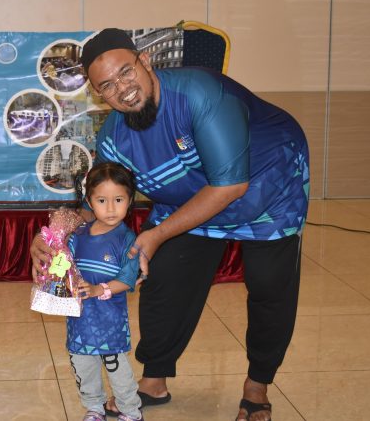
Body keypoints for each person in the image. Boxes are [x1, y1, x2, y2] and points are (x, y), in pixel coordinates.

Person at [31, 28, 309, 421]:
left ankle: (257, 385)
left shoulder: (199, 94)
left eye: (126, 72)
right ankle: (154, 381)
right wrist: (56, 232)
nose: (122, 89)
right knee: (164, 277)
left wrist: (158, 233)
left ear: (145, 61)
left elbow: (230, 186)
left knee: (269, 285)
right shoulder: (114, 138)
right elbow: (100, 203)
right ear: (98, 94)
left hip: (267, 184)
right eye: (107, 85)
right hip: (188, 195)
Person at [66, 162, 143, 421]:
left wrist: (99, 289)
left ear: (130, 200)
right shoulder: (78, 236)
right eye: (102, 200)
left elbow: (128, 279)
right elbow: (64, 267)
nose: (110, 208)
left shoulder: (127, 239)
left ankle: (131, 411)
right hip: (80, 320)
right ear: (89, 201)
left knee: (117, 367)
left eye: (118, 200)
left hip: (110, 321)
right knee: (83, 366)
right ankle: (94, 408)